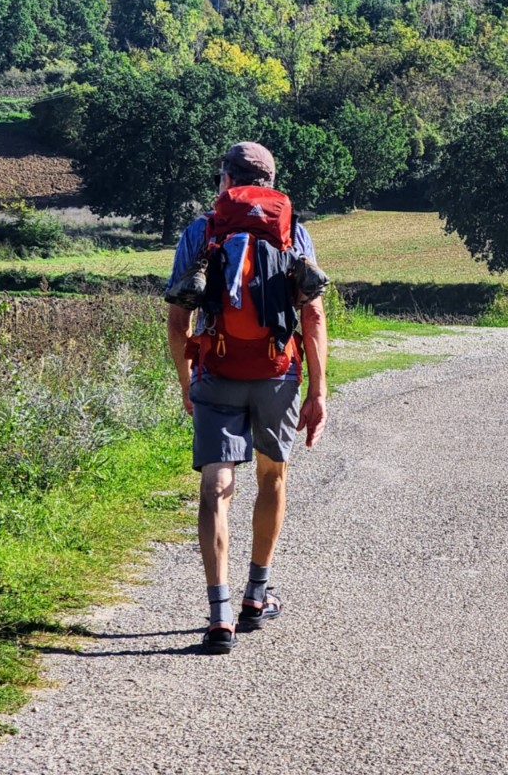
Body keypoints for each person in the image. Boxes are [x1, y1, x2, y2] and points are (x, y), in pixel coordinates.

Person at [166, 141, 328, 655]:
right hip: (277, 372)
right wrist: (318, 391)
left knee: (216, 486)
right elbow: (314, 316)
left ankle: (218, 615)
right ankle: (256, 596)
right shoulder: (292, 230)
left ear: (224, 180)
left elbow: (178, 319)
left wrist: (187, 378)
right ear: (270, 182)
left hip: (217, 367)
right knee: (272, 475)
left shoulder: (201, 230)